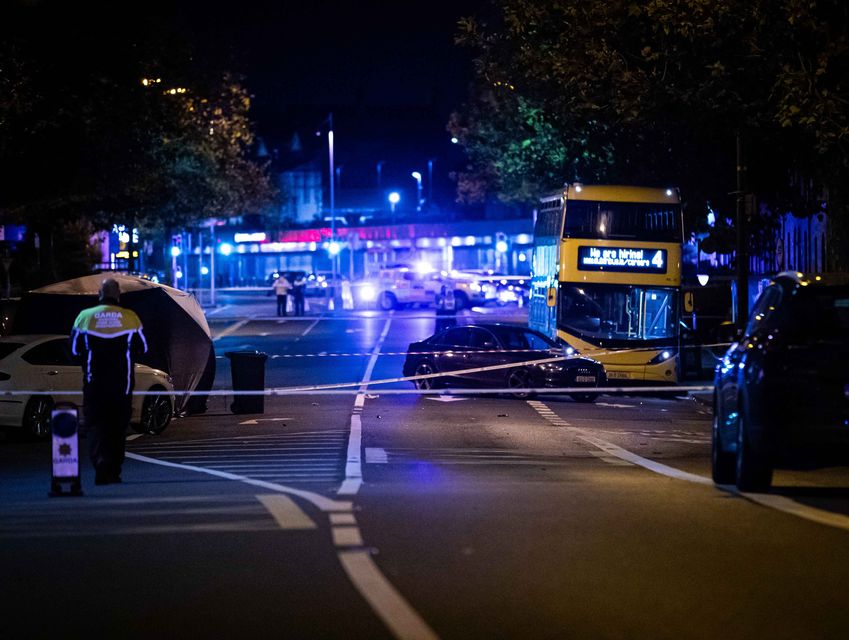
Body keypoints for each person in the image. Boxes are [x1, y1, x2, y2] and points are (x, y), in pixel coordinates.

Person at [70, 278, 148, 485]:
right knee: (117, 427)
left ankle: (100, 465)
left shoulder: (84, 318)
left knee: (95, 426)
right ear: (118, 294)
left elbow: (73, 351)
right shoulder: (130, 318)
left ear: (100, 293)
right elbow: (143, 348)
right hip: (122, 384)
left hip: (94, 383)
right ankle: (114, 470)